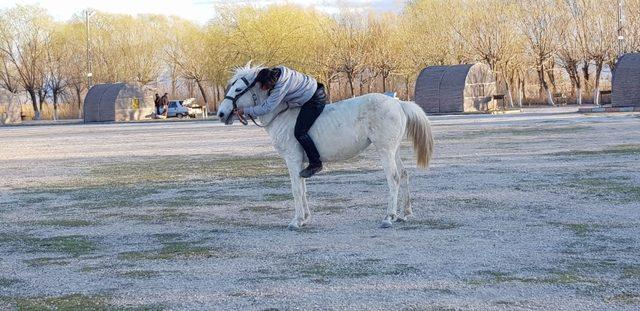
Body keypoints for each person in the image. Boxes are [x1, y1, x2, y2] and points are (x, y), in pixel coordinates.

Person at [237, 66, 326, 178]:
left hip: (315, 99)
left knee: (300, 132)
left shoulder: (281, 87)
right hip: (313, 91)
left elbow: (266, 108)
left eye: (264, 86)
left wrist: (245, 110)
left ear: (270, 83)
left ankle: (315, 163)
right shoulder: (277, 72)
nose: (262, 89)